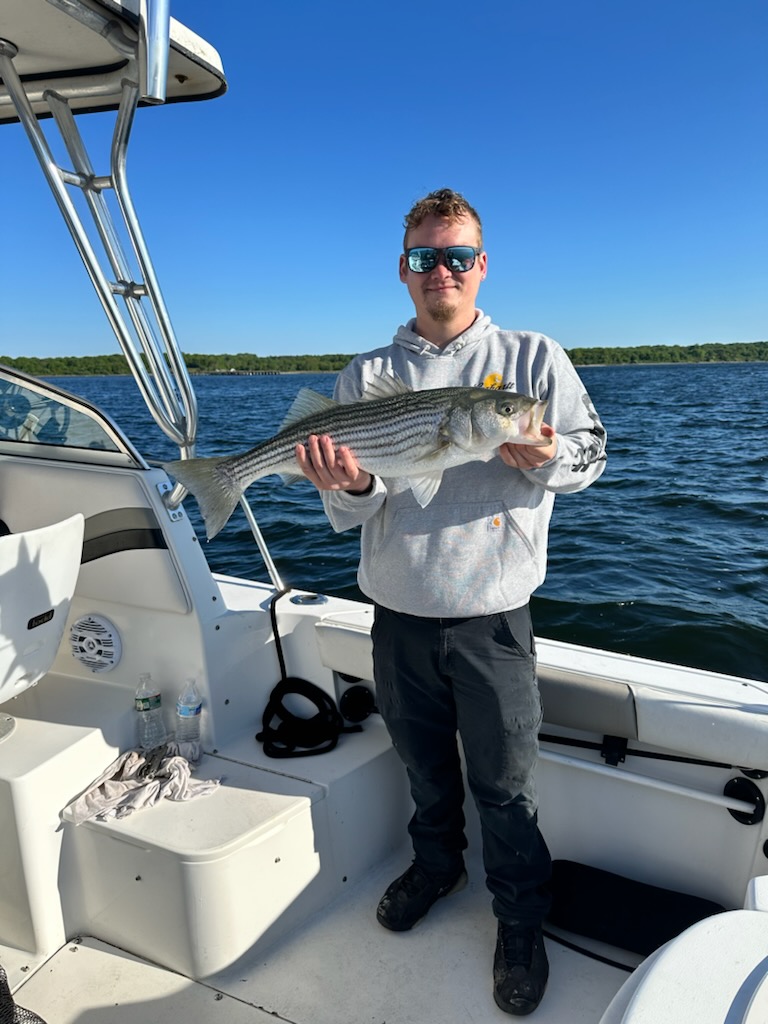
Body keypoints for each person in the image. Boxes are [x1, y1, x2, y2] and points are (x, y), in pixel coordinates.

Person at [296, 188, 607, 1016]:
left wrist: (545, 455)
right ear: (403, 270)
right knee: (424, 770)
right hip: (397, 615)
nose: (443, 270)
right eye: (426, 256)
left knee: (504, 785)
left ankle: (520, 919)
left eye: (458, 255)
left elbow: (592, 456)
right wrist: (351, 484)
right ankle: (437, 868)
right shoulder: (369, 374)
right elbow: (354, 506)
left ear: (482, 265)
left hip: (492, 621)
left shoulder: (532, 358)